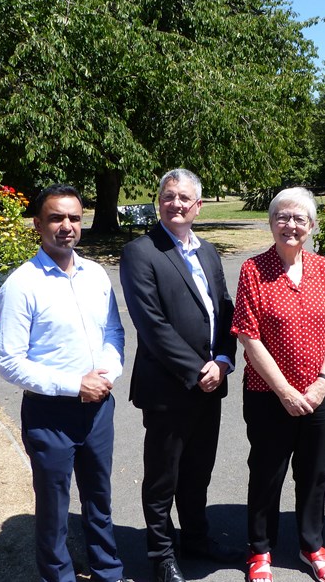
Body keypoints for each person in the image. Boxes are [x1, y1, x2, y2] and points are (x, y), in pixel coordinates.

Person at [0, 184, 129, 582]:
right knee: (54, 511)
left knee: (99, 500)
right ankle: (59, 577)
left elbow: (114, 333)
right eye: (56, 217)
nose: (66, 225)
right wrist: (75, 385)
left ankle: (109, 572)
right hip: (50, 414)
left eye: (73, 217)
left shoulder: (96, 275)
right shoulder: (21, 285)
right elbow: (9, 362)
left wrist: (107, 374)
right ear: (38, 224)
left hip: (98, 408)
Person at [120, 169, 240, 582]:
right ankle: (161, 553)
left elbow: (225, 311)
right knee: (163, 476)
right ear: (159, 201)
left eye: (184, 198)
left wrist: (223, 361)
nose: (175, 204)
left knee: (198, 471)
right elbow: (151, 325)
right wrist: (196, 371)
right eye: (168, 196)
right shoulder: (141, 251)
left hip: (211, 384)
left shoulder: (207, 251)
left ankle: (196, 539)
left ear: (198, 206)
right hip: (169, 389)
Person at [231, 188, 325, 582]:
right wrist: (285, 391)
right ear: (270, 222)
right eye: (282, 217)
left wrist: (321, 384)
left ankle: (312, 544)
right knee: (267, 470)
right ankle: (260, 549)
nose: (290, 225)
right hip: (269, 396)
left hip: (320, 394)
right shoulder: (253, 269)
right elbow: (248, 337)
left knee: (314, 472)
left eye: (299, 218)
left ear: (311, 226)